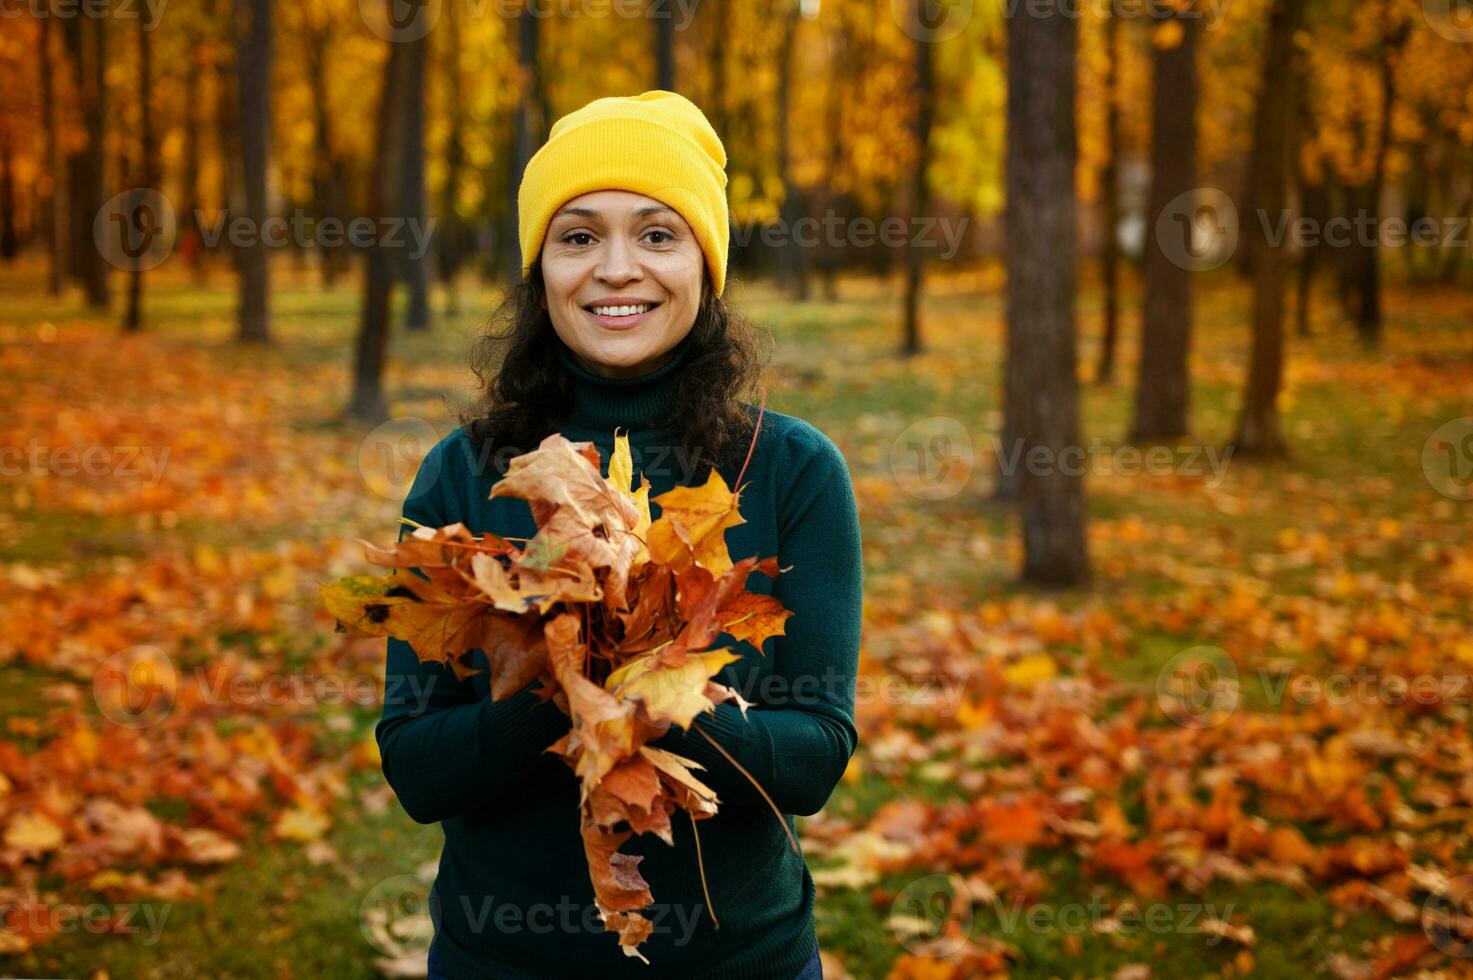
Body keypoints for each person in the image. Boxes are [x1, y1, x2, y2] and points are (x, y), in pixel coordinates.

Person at [375, 90, 860, 980]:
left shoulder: (790, 468)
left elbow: (815, 760)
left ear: (704, 264)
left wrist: (656, 685)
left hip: (741, 960)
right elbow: (415, 768)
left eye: (657, 233)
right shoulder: (467, 471)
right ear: (541, 268)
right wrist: (557, 676)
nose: (615, 268)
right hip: (501, 962)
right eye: (577, 236)